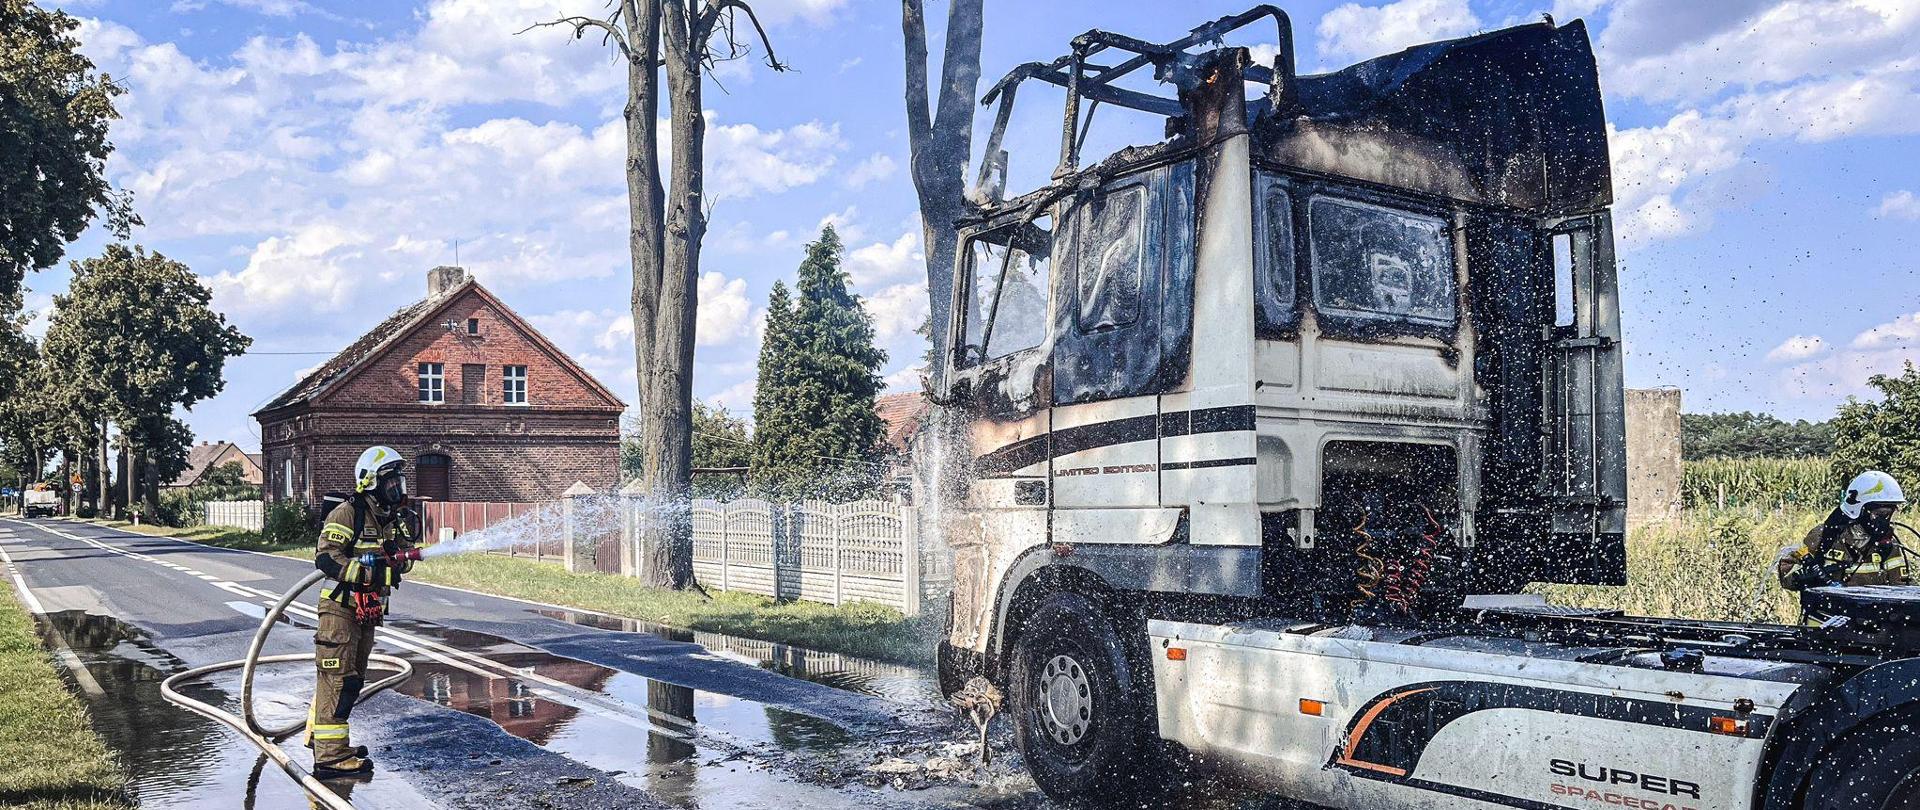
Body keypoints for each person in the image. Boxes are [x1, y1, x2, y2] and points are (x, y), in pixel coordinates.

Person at [307, 445, 417, 778]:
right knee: (338, 680)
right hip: (340, 610)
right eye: (391, 481)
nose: (397, 488)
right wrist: (369, 573)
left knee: (350, 681)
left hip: (365, 612)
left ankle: (328, 743)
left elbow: (399, 561)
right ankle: (330, 758)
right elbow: (326, 558)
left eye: (399, 481)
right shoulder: (347, 513)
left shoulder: (388, 520)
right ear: (370, 481)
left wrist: (401, 558)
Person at [1778, 471, 1910, 591]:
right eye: (1879, 514)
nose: (1884, 521)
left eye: (1889, 515)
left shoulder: (1888, 546)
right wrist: (1803, 578)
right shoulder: (1824, 537)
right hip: (1826, 616)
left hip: (1870, 616)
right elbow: (1786, 577)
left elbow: (1901, 590)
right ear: (1860, 510)